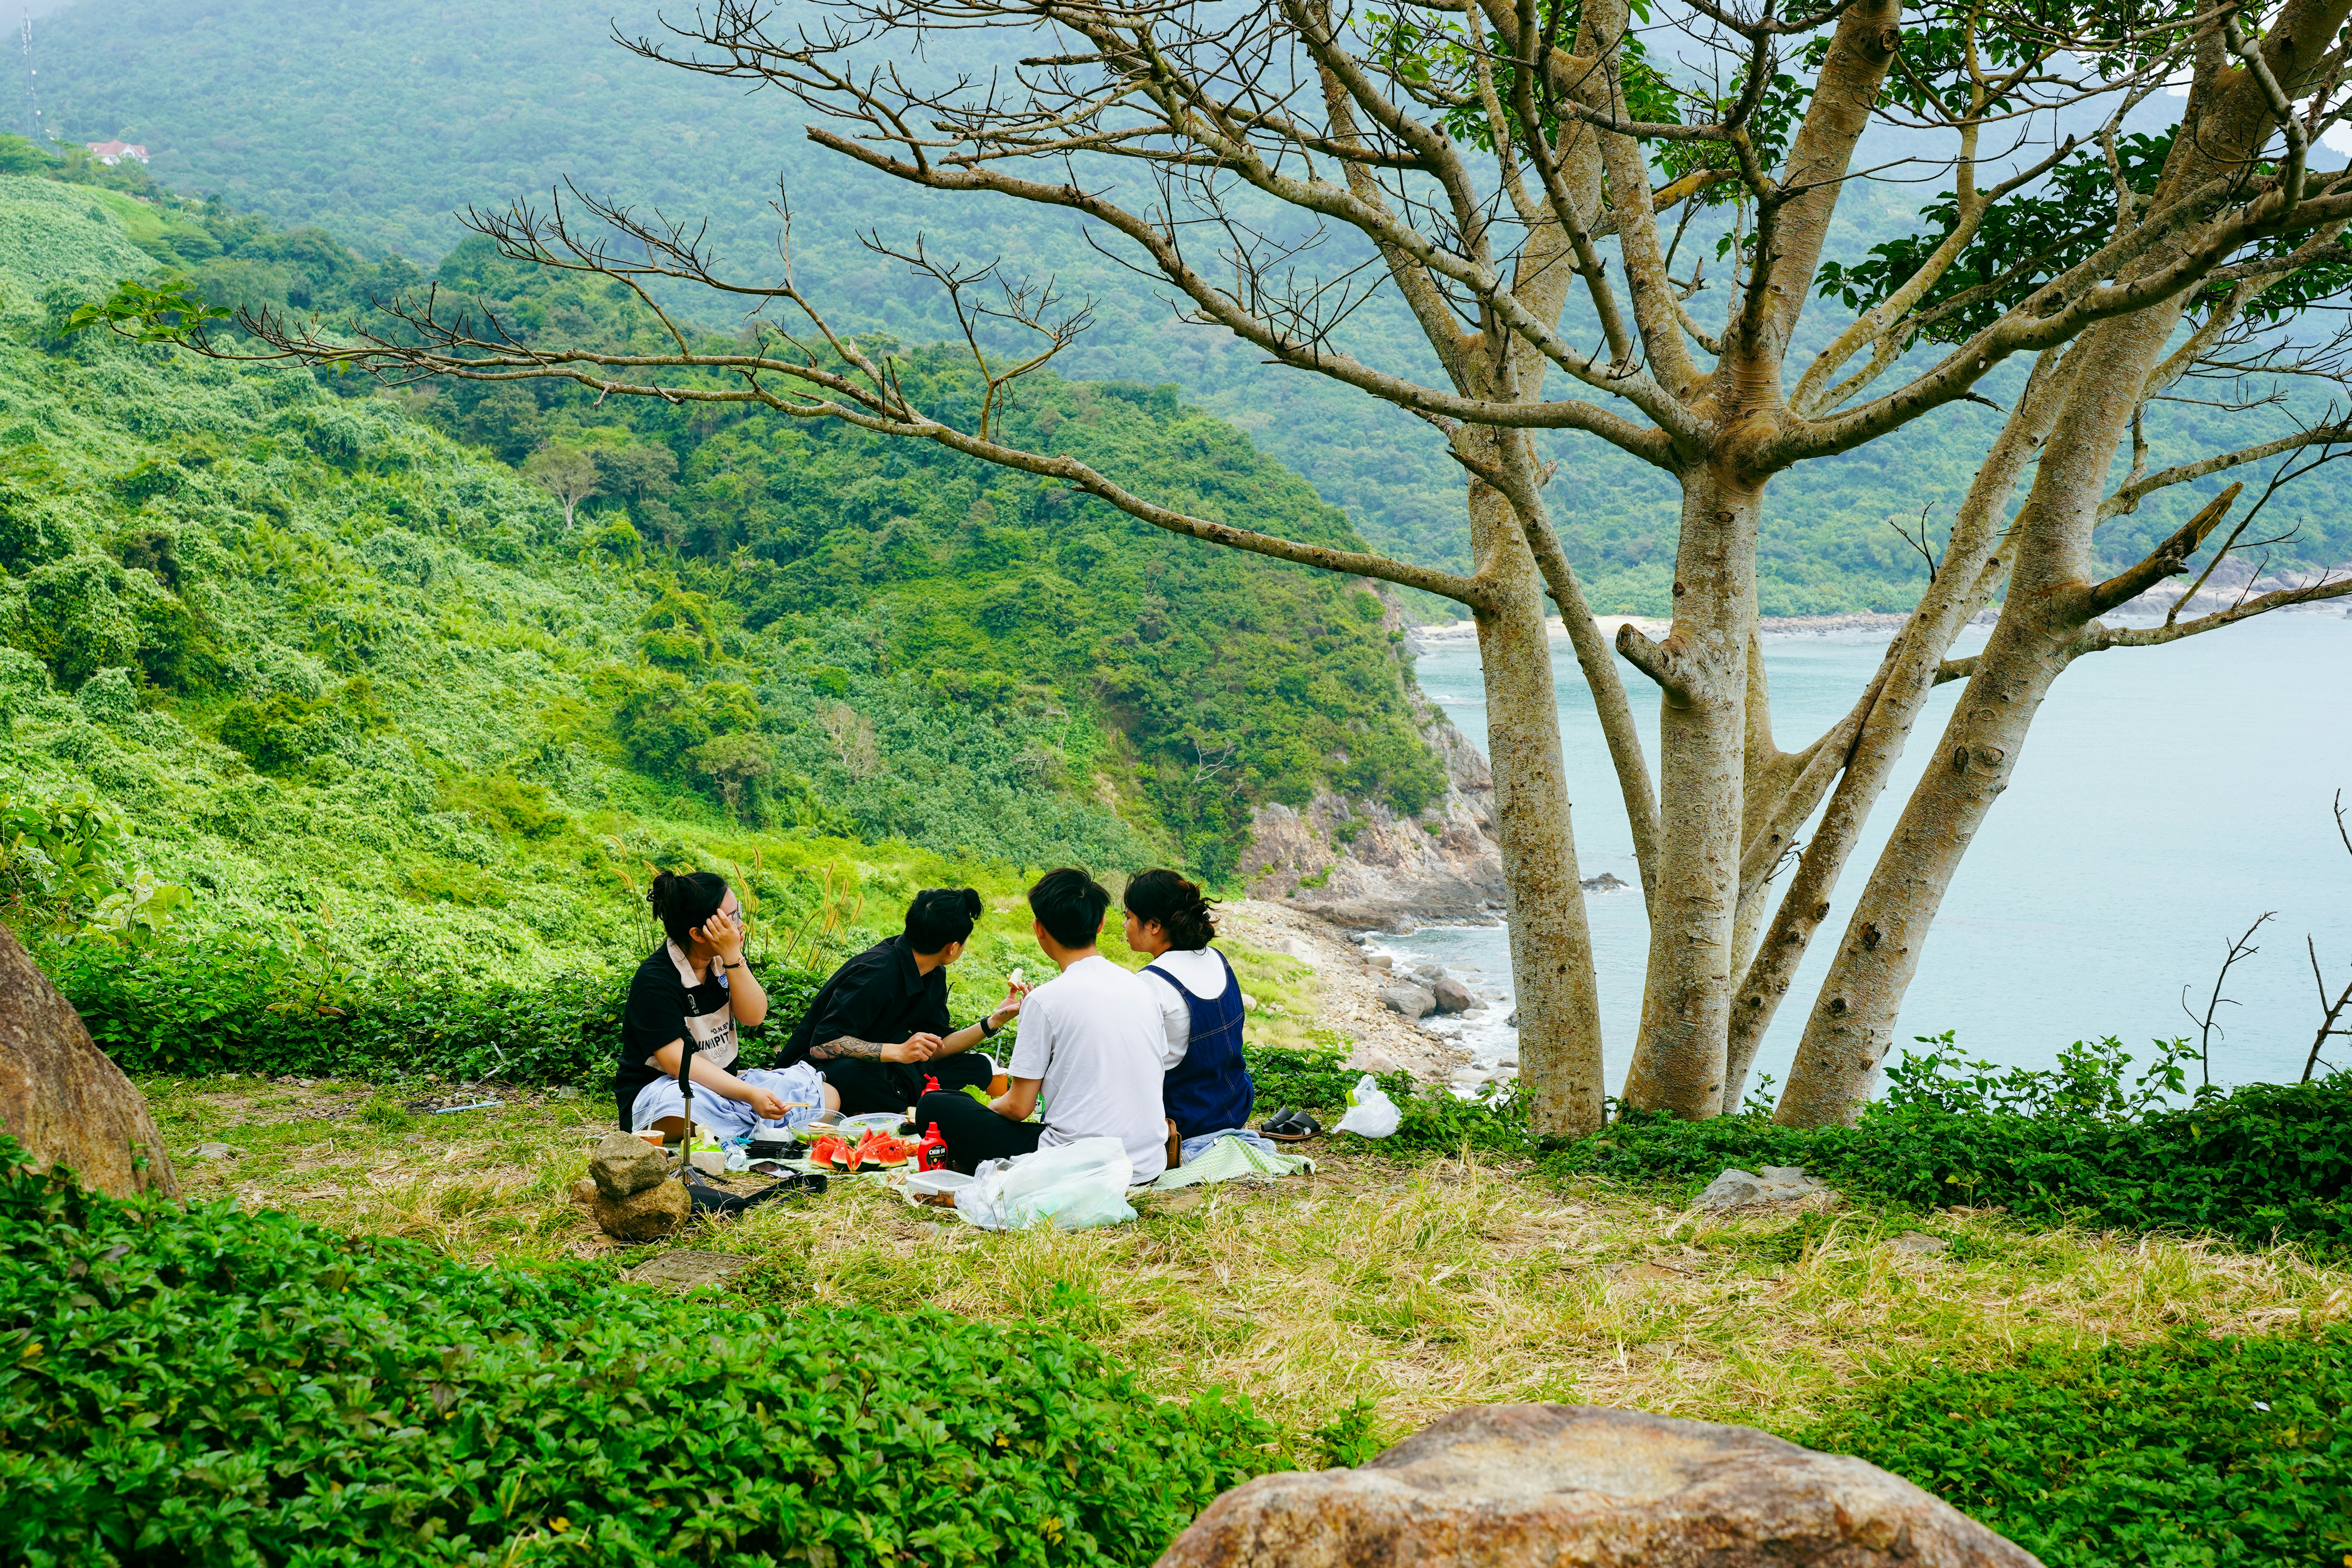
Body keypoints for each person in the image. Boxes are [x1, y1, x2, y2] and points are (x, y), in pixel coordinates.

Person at [916, 867, 1168, 1181]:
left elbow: (1018, 1108)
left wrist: (981, 1111)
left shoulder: (1045, 1000)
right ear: (1100, 925)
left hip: (1077, 1167)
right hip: (1147, 1163)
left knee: (935, 1106)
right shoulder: (1143, 988)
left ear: (1039, 929)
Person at [616, 870, 833, 1138]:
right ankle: (761, 1125)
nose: (740, 925)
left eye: (738, 913)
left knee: (826, 1094)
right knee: (679, 1108)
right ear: (698, 934)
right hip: (668, 1090)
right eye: (731, 919)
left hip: (727, 1085)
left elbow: (754, 1016)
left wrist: (734, 957)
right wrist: (750, 1094)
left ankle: (747, 1124)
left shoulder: (724, 961)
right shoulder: (655, 981)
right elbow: (677, 1064)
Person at [781, 887, 1024, 1117]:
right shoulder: (876, 973)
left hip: (891, 1071)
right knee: (855, 1074)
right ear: (953, 948)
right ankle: (920, 1106)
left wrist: (992, 1022)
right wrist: (899, 1051)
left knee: (978, 1067)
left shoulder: (934, 973)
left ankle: (908, 1106)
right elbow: (822, 1046)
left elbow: (937, 1049)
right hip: (822, 1069)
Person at [1125, 869, 1254, 1165]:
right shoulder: (1217, 959)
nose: (1125, 925)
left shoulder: (1151, 983)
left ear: (1154, 925)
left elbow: (1137, 1073)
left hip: (1184, 1123)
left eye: (1129, 917)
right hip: (1235, 1105)